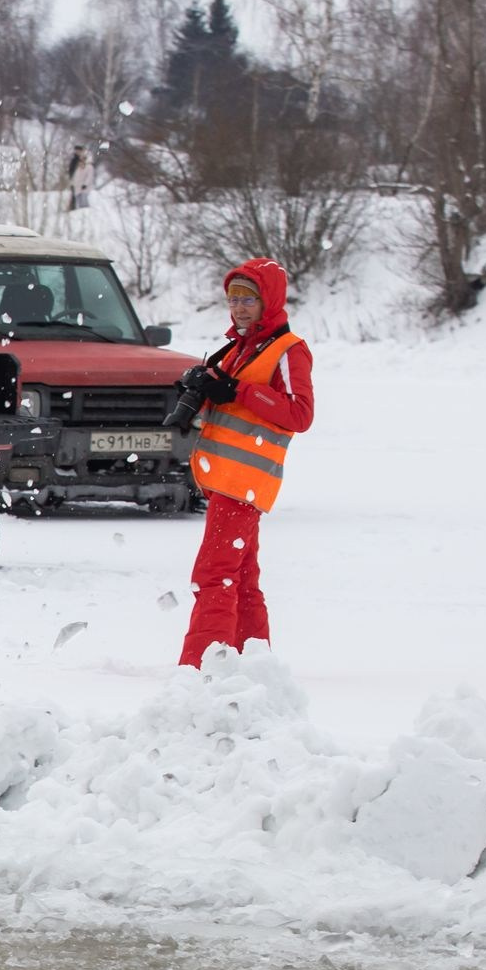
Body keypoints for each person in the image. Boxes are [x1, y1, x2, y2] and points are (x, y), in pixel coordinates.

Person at [178, 258, 314, 669]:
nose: (239, 308)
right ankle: (252, 659)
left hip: (245, 481)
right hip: (226, 480)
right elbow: (231, 401)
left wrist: (238, 390)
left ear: (268, 300)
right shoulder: (238, 348)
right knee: (241, 578)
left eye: (249, 299)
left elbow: (300, 414)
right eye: (233, 299)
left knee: (214, 575)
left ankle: (204, 665)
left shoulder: (289, 350)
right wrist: (203, 389)